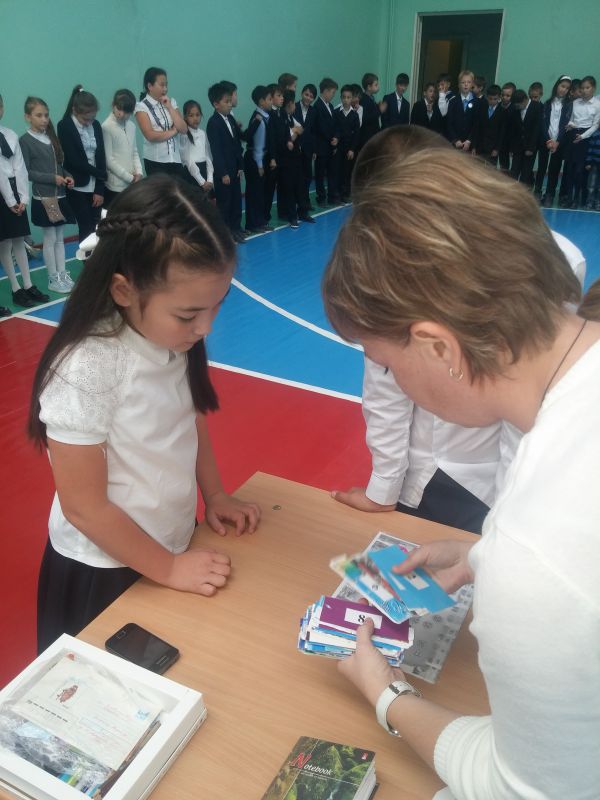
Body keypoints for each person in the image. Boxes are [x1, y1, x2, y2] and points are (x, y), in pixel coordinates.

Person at [323, 123, 600, 799]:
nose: (389, 380)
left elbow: (521, 787)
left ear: (439, 347)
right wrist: (482, 554)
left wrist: (386, 694)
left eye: (385, 363)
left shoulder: (539, 548)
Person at [29, 175, 261, 654]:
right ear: (123, 290)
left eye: (217, 306)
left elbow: (190, 419)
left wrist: (215, 494)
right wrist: (169, 568)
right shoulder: (87, 366)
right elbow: (84, 507)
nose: (206, 327)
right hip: (104, 567)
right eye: (188, 314)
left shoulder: (169, 338)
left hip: (168, 546)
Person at [20, 96, 76, 295]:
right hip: (43, 197)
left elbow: (59, 165)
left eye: (46, 115)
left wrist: (67, 176)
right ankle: (53, 277)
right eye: (39, 115)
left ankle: (62, 273)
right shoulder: (25, 141)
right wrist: (53, 179)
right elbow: (27, 172)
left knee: (60, 237)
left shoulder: (51, 138)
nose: (44, 119)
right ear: (28, 117)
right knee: (50, 237)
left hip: (60, 196)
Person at [0, 93, 48, 314]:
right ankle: (15, 288)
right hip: (2, 193)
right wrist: (10, 199)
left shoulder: (10, 134)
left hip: (14, 190)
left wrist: (23, 198)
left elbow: (20, 168)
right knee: (5, 243)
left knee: (20, 239)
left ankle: (28, 285)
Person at [57, 86, 107, 242]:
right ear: (74, 111)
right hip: (77, 185)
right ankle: (87, 257)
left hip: (95, 183)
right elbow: (74, 160)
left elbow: (101, 156)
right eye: (85, 119)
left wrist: (99, 187)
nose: (89, 122)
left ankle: (98, 255)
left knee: (98, 225)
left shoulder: (96, 125)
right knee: (85, 226)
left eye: (92, 118)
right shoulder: (64, 126)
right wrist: (101, 174)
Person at [206, 82, 245, 243]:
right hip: (224, 173)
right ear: (216, 104)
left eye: (230, 101)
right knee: (225, 203)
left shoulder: (230, 119)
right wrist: (222, 173)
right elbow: (216, 151)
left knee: (236, 200)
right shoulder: (213, 123)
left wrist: (240, 166)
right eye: (226, 101)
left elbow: (236, 145)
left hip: (234, 169)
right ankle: (226, 232)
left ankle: (236, 228)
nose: (230, 104)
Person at [135, 67, 187, 177]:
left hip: (175, 159)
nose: (165, 89)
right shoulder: (141, 107)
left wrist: (169, 107)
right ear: (150, 86)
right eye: (162, 85)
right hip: (155, 161)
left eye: (166, 85)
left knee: (179, 187)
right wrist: (174, 131)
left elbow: (183, 129)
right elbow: (150, 135)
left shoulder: (171, 102)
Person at [563, 75, 600, 208]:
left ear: (593, 88)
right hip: (573, 135)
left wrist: (583, 136)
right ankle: (569, 198)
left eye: (587, 88)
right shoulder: (575, 103)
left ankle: (577, 198)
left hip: (586, 138)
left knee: (580, 170)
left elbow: (595, 125)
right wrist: (570, 125)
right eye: (582, 88)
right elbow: (572, 119)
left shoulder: (598, 104)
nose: (584, 90)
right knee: (569, 169)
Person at [101, 89, 143, 208]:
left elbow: (134, 152)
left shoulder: (132, 126)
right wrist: (129, 178)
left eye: (126, 112)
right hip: (115, 186)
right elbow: (109, 160)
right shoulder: (106, 127)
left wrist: (139, 172)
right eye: (119, 109)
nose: (122, 114)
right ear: (113, 105)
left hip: (131, 184)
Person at [279, 90, 313, 227]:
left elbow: (301, 129)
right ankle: (292, 217)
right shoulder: (281, 118)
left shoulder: (291, 117)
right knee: (289, 189)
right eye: (293, 103)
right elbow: (288, 139)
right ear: (289, 104)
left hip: (296, 158)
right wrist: (294, 132)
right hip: (286, 160)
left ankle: (303, 212)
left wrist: (294, 131)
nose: (295, 106)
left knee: (300, 186)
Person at [538, 75, 572, 207]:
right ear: (557, 85)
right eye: (562, 86)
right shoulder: (547, 103)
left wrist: (557, 141)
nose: (564, 90)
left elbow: (565, 124)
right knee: (542, 167)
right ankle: (538, 191)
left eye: (567, 88)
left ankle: (550, 194)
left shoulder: (569, 105)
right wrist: (548, 140)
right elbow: (543, 123)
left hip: (559, 142)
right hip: (545, 140)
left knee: (554, 169)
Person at [243, 86, 273, 234]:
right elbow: (258, 145)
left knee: (259, 193)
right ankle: (252, 224)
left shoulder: (264, 116)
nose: (272, 101)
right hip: (255, 159)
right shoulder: (259, 120)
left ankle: (259, 222)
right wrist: (260, 165)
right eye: (269, 99)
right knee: (254, 193)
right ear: (261, 102)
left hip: (258, 158)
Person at [180, 100, 214, 199]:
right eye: (191, 115)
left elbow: (208, 156)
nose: (195, 118)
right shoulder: (184, 135)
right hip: (192, 175)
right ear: (185, 117)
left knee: (207, 205)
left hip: (205, 173)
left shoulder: (202, 133)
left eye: (197, 115)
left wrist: (210, 179)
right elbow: (188, 160)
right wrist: (201, 182)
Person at [507, 88, 543, 184]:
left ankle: (525, 191)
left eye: (518, 105)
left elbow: (536, 130)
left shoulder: (537, 107)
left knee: (526, 174)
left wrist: (531, 148)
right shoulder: (515, 109)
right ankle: (512, 191)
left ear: (524, 100)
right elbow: (513, 130)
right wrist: (511, 148)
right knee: (513, 172)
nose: (516, 107)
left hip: (530, 146)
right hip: (517, 146)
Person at [314, 77, 339, 206]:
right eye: (332, 92)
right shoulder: (317, 106)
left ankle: (332, 196)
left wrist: (336, 137)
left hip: (330, 145)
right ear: (325, 91)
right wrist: (331, 138)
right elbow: (321, 127)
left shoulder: (331, 106)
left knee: (332, 172)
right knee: (320, 174)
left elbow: (335, 125)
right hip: (321, 146)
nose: (333, 95)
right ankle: (321, 197)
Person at [333, 86, 360, 203]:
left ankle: (345, 193)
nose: (346, 100)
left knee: (347, 172)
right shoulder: (336, 113)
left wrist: (352, 149)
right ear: (341, 98)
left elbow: (356, 134)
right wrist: (334, 146)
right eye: (344, 97)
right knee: (336, 171)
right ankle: (336, 194)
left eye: (348, 97)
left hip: (349, 148)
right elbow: (334, 130)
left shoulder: (355, 115)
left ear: (352, 99)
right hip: (338, 148)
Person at [295, 84, 317, 210]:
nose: (308, 98)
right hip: (295, 149)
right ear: (302, 93)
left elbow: (313, 132)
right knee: (297, 178)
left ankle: (305, 201)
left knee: (307, 176)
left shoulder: (314, 111)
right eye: (306, 94)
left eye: (311, 96)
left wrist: (314, 150)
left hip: (308, 150)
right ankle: (297, 202)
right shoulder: (294, 107)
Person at [472, 84, 505, 166]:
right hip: (480, 145)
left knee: (490, 169)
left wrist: (497, 149)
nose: (492, 101)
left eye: (495, 99)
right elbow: (477, 127)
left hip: (492, 147)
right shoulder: (482, 107)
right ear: (486, 97)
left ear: (499, 98)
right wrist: (474, 146)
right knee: (477, 168)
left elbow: (501, 132)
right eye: (490, 99)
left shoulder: (502, 112)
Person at [446, 70, 479, 151]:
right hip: (455, 143)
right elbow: (449, 123)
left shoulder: (477, 102)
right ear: (459, 85)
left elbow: (477, 124)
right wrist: (455, 140)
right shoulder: (453, 101)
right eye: (463, 82)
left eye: (469, 82)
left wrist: (469, 140)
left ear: (472, 84)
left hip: (470, 144)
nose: (466, 84)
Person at [359, 72, 381, 148]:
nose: (378, 87)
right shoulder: (363, 99)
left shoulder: (371, 98)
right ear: (369, 87)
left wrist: (377, 106)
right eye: (376, 85)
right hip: (367, 137)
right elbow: (366, 118)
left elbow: (371, 111)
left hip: (373, 135)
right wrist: (380, 110)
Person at [498, 81, 516, 170]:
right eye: (503, 95)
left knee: (505, 165)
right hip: (497, 140)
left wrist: (512, 147)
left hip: (508, 142)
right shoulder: (498, 107)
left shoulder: (515, 109)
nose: (504, 97)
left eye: (508, 96)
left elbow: (514, 129)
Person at [584, 128, 600, 210]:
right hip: (594, 163)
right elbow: (590, 149)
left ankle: (598, 203)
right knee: (591, 185)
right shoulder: (595, 134)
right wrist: (589, 162)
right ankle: (589, 202)